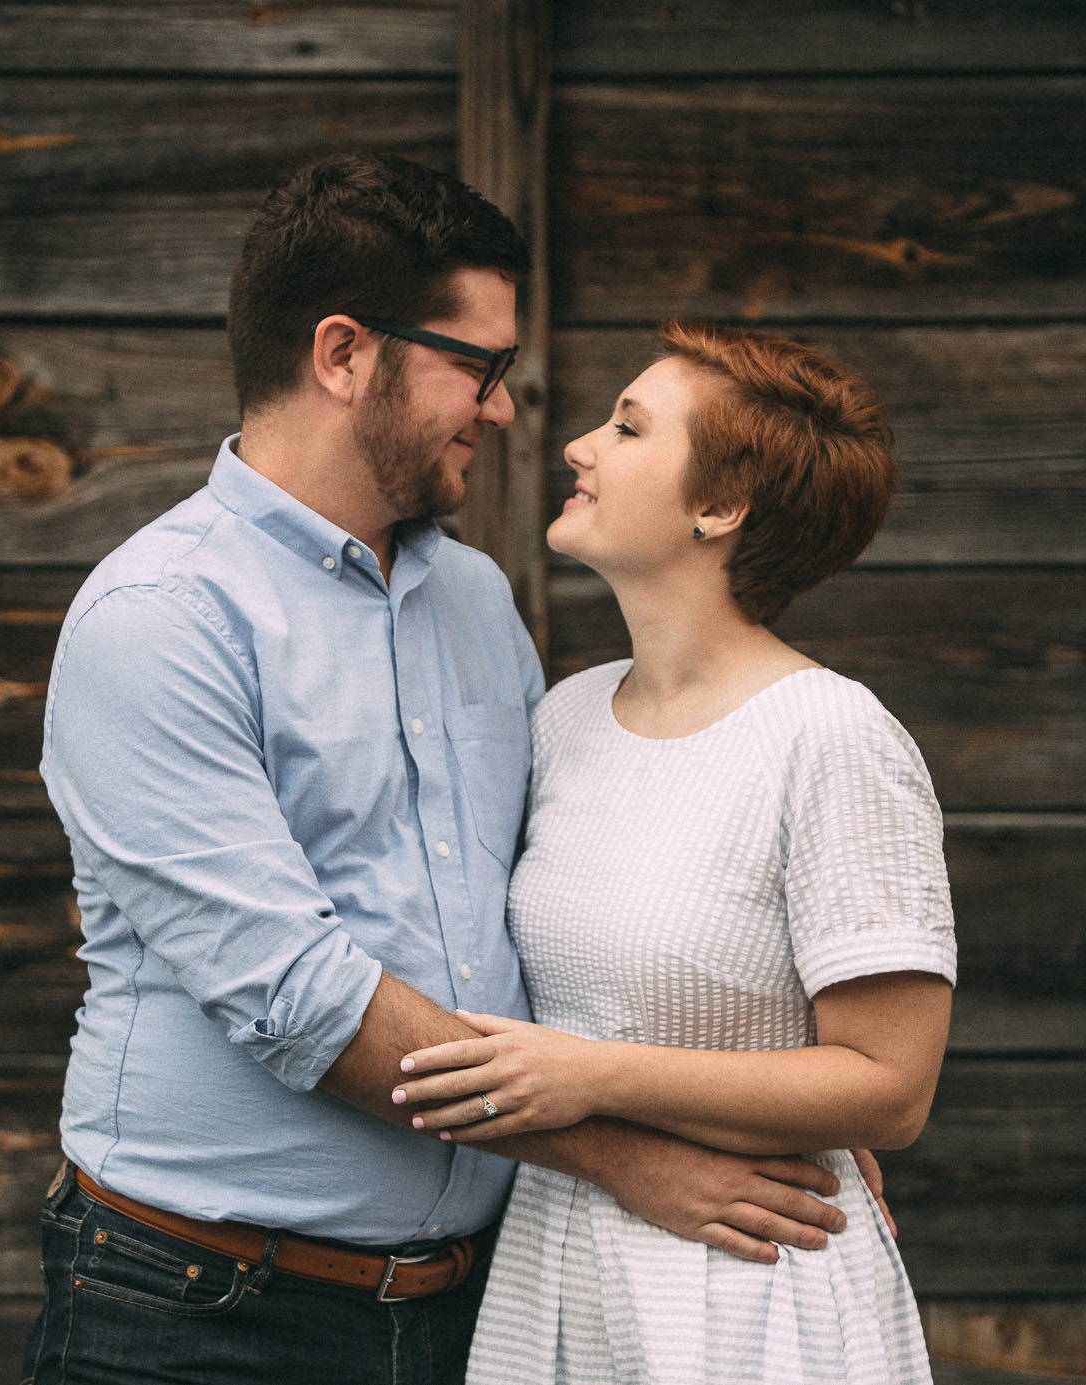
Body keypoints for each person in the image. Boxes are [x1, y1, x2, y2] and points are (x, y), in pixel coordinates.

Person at [23, 155, 871, 1385]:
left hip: (472, 1311)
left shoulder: (474, 600)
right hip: (198, 1310)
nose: (506, 407)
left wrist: (778, 1113)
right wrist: (629, 1153)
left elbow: (561, 913)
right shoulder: (158, 618)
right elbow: (299, 997)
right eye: (478, 367)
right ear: (343, 354)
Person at [392, 321, 957, 1384]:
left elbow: (890, 1086)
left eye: (627, 425)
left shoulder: (829, 736)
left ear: (719, 506)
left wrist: (586, 1074)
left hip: (742, 1291)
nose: (578, 445)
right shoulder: (565, 719)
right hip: (555, 1275)